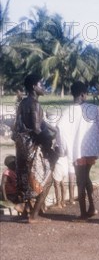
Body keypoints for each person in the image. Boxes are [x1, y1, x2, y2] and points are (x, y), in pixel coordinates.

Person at [56, 81, 99, 220]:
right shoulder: (93, 108)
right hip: (91, 150)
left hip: (78, 152)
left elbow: (60, 129)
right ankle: (92, 208)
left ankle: (83, 213)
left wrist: (63, 148)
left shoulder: (67, 112)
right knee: (85, 178)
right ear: (83, 94)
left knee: (80, 180)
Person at [14, 74, 57, 222]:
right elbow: (37, 128)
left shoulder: (23, 103)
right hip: (32, 148)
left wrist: (55, 129)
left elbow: (39, 122)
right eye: (41, 84)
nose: (43, 87)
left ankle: (26, 208)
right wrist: (50, 144)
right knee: (48, 178)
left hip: (21, 148)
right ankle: (34, 215)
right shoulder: (35, 104)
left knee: (26, 178)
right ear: (34, 87)